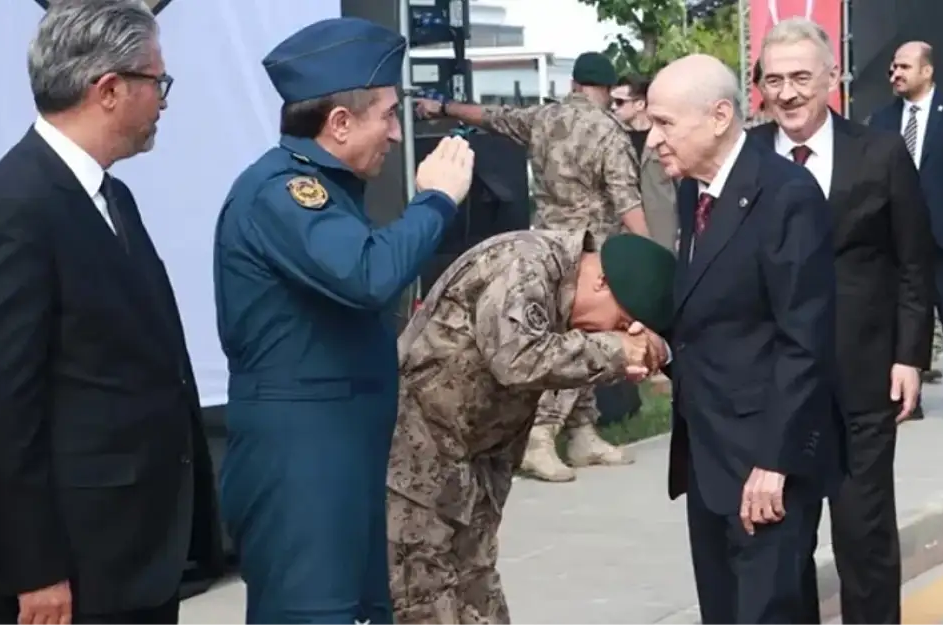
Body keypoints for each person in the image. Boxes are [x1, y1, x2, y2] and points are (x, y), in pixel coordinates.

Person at [212, 17, 474, 625]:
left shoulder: (325, 192)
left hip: (338, 464)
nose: (394, 132)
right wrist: (434, 199)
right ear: (338, 124)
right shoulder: (281, 194)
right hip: (302, 472)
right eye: (386, 114)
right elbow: (367, 275)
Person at [0, 2, 224, 625]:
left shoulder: (112, 195)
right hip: (76, 576)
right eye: (157, 82)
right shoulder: (17, 207)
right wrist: (34, 571)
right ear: (109, 89)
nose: (164, 101)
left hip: (135, 557)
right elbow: (3, 409)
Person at [648, 54, 846, 625]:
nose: (652, 137)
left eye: (664, 123)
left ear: (718, 116)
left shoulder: (785, 195)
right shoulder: (693, 191)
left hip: (765, 462)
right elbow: (711, 308)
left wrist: (774, 462)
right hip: (710, 455)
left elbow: (803, 339)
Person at [387, 230, 675, 623]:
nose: (615, 334)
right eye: (620, 322)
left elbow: (560, 360)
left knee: (476, 586)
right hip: (419, 446)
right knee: (421, 594)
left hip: (476, 453)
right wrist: (612, 350)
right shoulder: (525, 264)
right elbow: (516, 357)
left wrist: (623, 358)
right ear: (601, 282)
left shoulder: (567, 288)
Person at [750, 19, 935, 625]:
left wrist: (910, 355)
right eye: (774, 80)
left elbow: (913, 261)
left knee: (865, 539)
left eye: (802, 76)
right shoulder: (746, 159)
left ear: (833, 78)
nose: (788, 92)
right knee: (782, 551)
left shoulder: (879, 152)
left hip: (863, 383)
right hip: (778, 391)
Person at [416, 51, 648, 482]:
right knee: (573, 347)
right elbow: (626, 199)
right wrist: (651, 252)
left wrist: (442, 108)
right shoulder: (608, 131)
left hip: (545, 249)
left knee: (562, 339)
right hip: (590, 258)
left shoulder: (543, 119)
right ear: (604, 88)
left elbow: (491, 116)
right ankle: (541, 439)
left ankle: (581, 433)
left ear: (576, 83)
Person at [870, 41, 943, 426]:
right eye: (892, 68)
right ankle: (909, 398)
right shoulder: (883, 120)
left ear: (927, 71)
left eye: (904, 67)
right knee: (905, 321)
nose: (896, 74)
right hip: (895, 239)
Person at [611, 75, 679, 252]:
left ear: (640, 104)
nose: (613, 107)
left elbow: (684, 183)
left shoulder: (665, 138)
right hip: (624, 232)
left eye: (619, 102)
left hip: (664, 233)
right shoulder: (613, 141)